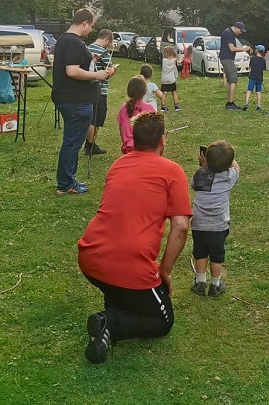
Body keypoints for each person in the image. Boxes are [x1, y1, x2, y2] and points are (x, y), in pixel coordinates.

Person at [78, 112, 191, 364]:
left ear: (134, 139)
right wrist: (165, 271)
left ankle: (109, 318)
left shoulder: (119, 164)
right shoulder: (172, 171)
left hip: (90, 258)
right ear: (163, 140)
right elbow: (181, 227)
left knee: (127, 293)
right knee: (162, 320)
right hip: (129, 265)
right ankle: (111, 323)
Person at [53, 9, 116, 196]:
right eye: (92, 25)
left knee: (71, 142)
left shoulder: (65, 39)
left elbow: (74, 64)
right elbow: (71, 71)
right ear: (85, 23)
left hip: (71, 99)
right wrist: (97, 74)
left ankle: (67, 180)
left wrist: (91, 59)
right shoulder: (73, 41)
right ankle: (65, 184)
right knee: (72, 143)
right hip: (76, 101)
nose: (92, 30)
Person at [190, 140, 240, 298]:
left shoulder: (199, 175)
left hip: (199, 224)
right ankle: (215, 285)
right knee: (217, 255)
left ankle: (200, 283)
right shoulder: (229, 176)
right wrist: (229, 159)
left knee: (200, 253)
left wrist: (205, 167)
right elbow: (236, 168)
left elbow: (194, 185)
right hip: (219, 225)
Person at [85, 29, 115, 157]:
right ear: (107, 40)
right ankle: (91, 146)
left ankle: (89, 143)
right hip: (100, 89)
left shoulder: (87, 48)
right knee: (96, 119)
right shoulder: (105, 52)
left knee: (91, 116)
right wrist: (114, 70)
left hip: (88, 88)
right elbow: (108, 73)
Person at [118, 76, 156, 155]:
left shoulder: (123, 108)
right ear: (144, 91)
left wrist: (125, 143)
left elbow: (121, 128)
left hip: (128, 147)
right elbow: (155, 129)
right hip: (145, 147)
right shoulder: (150, 108)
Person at [219, 22, 252, 110]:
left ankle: (229, 102)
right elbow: (232, 48)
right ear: (236, 28)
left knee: (230, 80)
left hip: (226, 58)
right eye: (240, 31)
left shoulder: (228, 32)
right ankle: (230, 103)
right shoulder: (229, 34)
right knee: (233, 79)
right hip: (227, 59)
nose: (240, 33)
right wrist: (244, 49)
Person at [242, 44, 266, 112]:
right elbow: (264, 67)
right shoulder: (263, 60)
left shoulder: (253, 58)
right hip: (259, 78)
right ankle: (258, 105)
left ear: (257, 51)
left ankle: (246, 103)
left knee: (249, 90)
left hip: (252, 77)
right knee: (258, 92)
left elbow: (250, 65)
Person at [161, 45, 181, 111]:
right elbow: (177, 61)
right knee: (174, 92)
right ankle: (176, 106)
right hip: (171, 79)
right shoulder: (173, 60)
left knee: (164, 93)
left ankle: (163, 106)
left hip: (164, 80)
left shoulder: (163, 61)